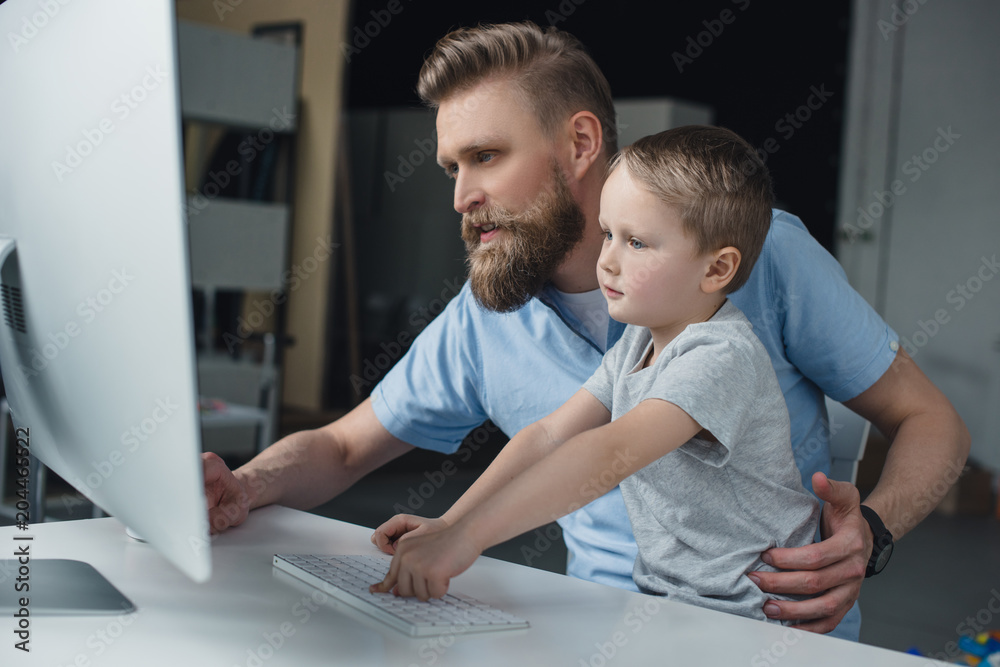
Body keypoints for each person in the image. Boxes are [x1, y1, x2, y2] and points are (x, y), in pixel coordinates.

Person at [201, 21, 970, 638]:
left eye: (485, 156)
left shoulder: (754, 272)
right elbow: (346, 446)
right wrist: (245, 486)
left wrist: (873, 531)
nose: (461, 196)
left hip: (759, 631)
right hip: (603, 630)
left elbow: (933, 422)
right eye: (450, 168)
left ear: (578, 144)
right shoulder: (499, 316)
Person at [368, 126, 823, 625]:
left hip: (750, 617)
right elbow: (548, 435)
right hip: (671, 606)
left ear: (716, 270)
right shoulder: (638, 342)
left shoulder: (721, 356)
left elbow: (608, 452)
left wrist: (469, 540)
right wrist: (451, 523)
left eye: (637, 243)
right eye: (609, 234)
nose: (607, 261)